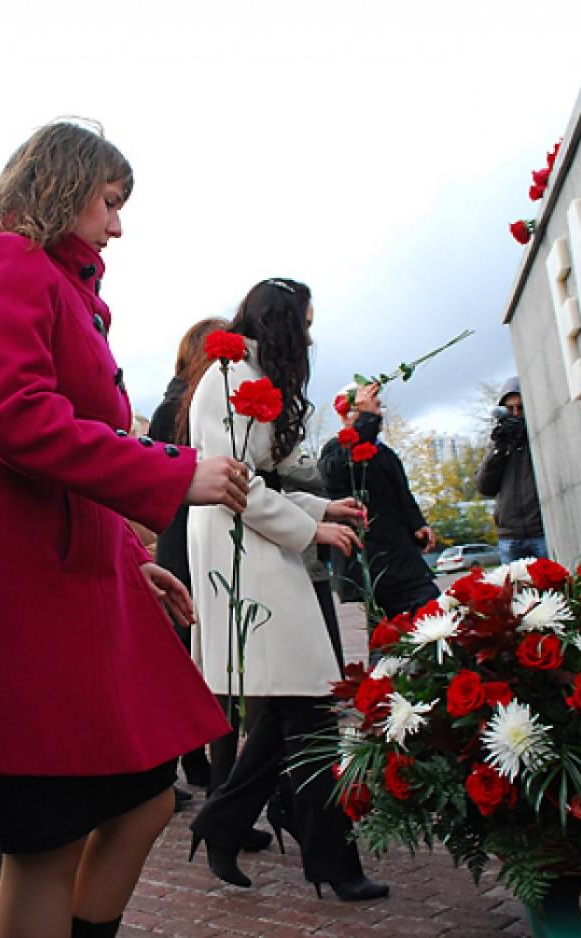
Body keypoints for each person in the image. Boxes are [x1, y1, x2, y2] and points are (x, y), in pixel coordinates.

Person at [0, 120, 245, 938]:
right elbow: (19, 422)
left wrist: (128, 557)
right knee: (48, 831)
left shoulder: (46, 278)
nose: (118, 225)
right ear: (62, 186)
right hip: (17, 585)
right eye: (109, 201)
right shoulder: (4, 263)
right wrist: (175, 471)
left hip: (60, 575)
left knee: (144, 795)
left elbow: (53, 440)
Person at [183, 278, 389, 902]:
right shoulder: (229, 377)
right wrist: (314, 526)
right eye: (305, 321)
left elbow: (260, 478)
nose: (309, 334)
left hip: (255, 546)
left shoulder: (245, 372)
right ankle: (330, 861)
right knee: (307, 710)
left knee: (294, 710)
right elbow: (237, 483)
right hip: (243, 554)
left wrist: (326, 506)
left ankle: (227, 824)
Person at [146, 317, 229, 794]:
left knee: (197, 651)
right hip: (183, 538)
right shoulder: (173, 407)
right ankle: (190, 757)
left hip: (192, 536)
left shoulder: (191, 401)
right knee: (189, 651)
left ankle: (198, 759)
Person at [318, 382, 439, 624]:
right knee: (387, 636)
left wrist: (418, 523)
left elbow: (403, 496)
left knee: (431, 614)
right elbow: (333, 475)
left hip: (402, 558)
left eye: (377, 408)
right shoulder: (335, 449)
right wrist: (365, 421)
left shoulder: (386, 454)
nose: (377, 415)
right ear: (343, 418)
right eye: (364, 410)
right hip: (371, 565)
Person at [476, 376, 548, 563]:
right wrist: (499, 448)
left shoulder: (540, 437)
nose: (515, 414)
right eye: (510, 409)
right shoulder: (500, 440)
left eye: (521, 408)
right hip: (510, 535)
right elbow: (485, 486)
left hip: (541, 530)